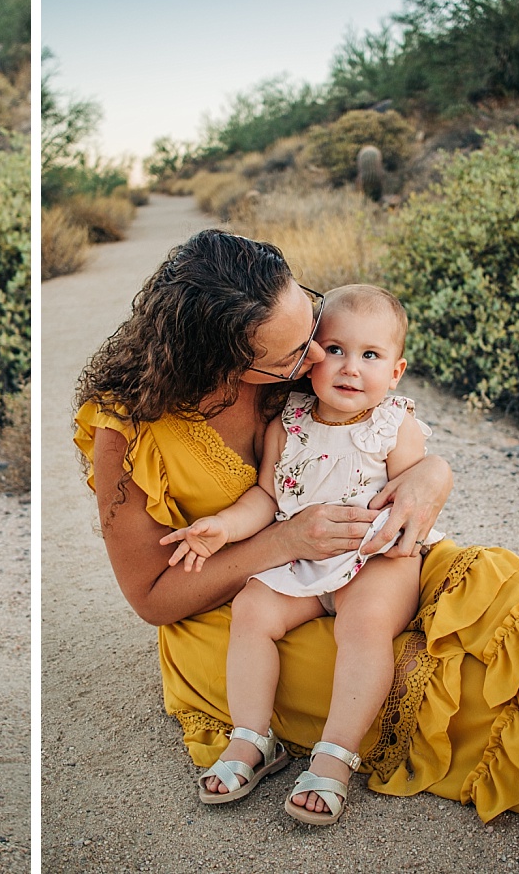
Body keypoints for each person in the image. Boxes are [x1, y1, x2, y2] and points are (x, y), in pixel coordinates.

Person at [74, 230, 519, 869]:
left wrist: (432, 473)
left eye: (312, 319)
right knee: (466, 698)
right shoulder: (130, 430)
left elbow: (384, 421)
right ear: (226, 364)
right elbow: (154, 598)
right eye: (300, 353)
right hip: (245, 607)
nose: (321, 354)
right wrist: (281, 538)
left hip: (373, 563)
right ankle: (280, 747)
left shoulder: (294, 345)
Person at [162, 284, 442, 826]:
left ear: (396, 371)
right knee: (252, 611)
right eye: (335, 349)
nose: (350, 368)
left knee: (364, 625)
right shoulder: (287, 423)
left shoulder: (394, 426)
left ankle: (336, 753)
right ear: (309, 358)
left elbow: (416, 495)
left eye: (370, 356)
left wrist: (410, 513)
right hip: (303, 556)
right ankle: (251, 738)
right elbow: (267, 497)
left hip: (375, 557)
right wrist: (222, 526)